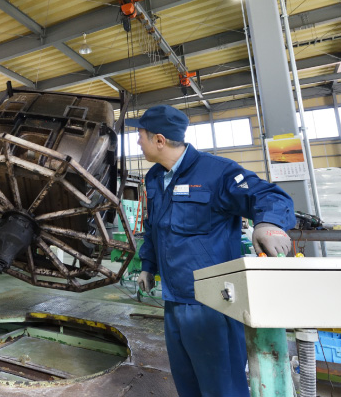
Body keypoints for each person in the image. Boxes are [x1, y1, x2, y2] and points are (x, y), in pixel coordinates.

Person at [126, 105, 295, 397]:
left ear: (159, 140)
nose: (137, 142)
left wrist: (268, 224)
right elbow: (154, 227)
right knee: (187, 383)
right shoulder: (155, 177)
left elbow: (268, 195)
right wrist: (147, 265)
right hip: (174, 301)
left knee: (222, 387)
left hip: (214, 305)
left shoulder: (218, 173)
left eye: (140, 135)